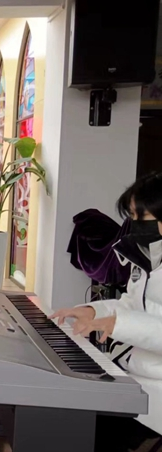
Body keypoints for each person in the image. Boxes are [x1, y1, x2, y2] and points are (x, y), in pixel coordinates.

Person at [52, 173, 162, 451]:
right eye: (132, 217)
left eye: (141, 217)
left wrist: (116, 324)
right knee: (65, 410)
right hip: (131, 371)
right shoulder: (148, 256)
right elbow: (130, 305)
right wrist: (92, 310)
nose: (133, 226)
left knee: (84, 427)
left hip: (155, 389)